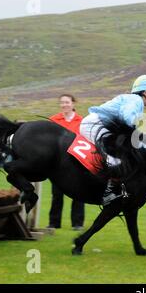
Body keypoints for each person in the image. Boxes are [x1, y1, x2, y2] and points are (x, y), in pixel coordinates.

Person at [80, 74, 146, 205]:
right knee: (115, 158)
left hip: (100, 124)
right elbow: (127, 120)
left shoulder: (135, 101)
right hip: (95, 125)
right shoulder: (136, 101)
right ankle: (107, 193)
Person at [48, 94, 85, 230]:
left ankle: (77, 224)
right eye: (62, 102)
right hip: (57, 163)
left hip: (76, 162)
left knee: (79, 193)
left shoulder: (82, 121)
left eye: (67, 102)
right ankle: (53, 223)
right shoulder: (53, 120)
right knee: (56, 194)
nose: (64, 105)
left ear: (73, 104)